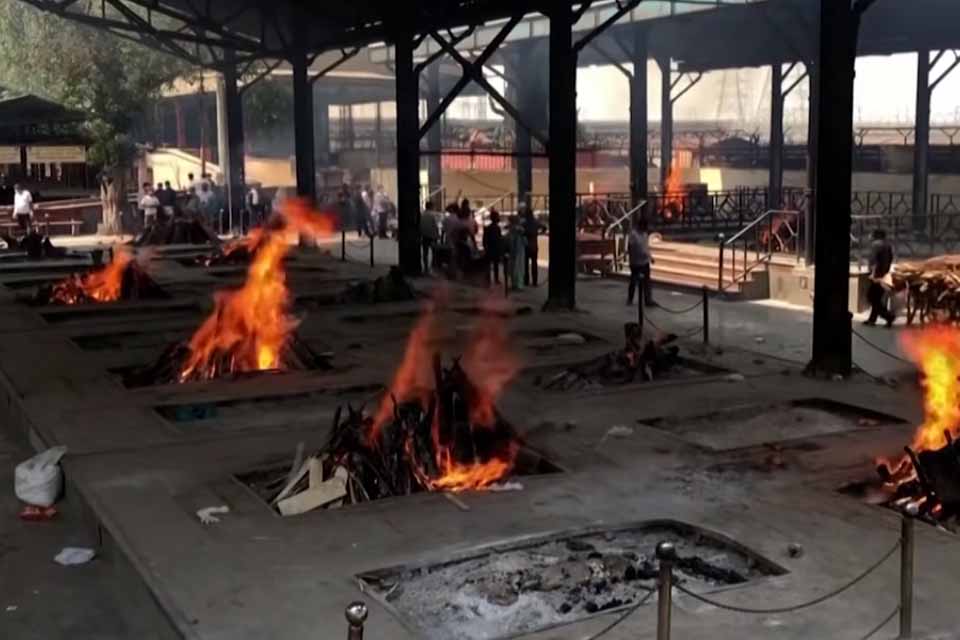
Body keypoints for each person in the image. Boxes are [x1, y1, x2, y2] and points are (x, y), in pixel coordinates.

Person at [865, 228, 895, 326]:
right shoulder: (887, 245)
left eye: (871, 234)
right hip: (883, 274)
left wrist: (873, 274)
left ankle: (888, 316)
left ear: (875, 236)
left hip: (877, 276)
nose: (869, 236)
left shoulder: (876, 245)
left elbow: (874, 261)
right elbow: (890, 258)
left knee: (871, 297)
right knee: (876, 298)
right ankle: (872, 320)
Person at [627, 217, 656, 307]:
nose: (645, 229)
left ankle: (648, 299)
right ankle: (630, 298)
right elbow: (631, 247)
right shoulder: (633, 235)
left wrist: (650, 257)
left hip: (645, 261)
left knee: (647, 281)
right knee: (633, 281)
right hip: (636, 262)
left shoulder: (645, 235)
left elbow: (646, 247)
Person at [522, 206, 544, 286]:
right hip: (534, 245)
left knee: (526, 265)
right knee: (534, 264)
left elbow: (521, 232)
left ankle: (526, 281)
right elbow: (544, 227)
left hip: (526, 245)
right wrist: (539, 232)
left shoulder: (524, 224)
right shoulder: (536, 222)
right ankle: (535, 281)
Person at [483, 209, 504, 285]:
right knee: (495, 265)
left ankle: (488, 279)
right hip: (495, 248)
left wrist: (485, 247)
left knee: (489, 264)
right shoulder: (497, 228)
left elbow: (484, 240)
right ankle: (496, 279)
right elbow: (499, 239)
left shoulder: (487, 228)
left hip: (490, 248)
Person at [506, 214, 526, 291]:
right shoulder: (512, 230)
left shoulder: (519, 230)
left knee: (518, 269)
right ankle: (515, 284)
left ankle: (519, 285)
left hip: (518, 251)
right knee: (513, 269)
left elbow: (524, 241)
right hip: (514, 251)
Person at [420, 199, 440, 274]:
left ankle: (425, 267)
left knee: (425, 252)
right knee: (434, 252)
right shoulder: (433, 215)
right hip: (432, 235)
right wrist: (438, 235)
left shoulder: (422, 214)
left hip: (424, 235)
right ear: (431, 207)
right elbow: (435, 226)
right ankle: (433, 267)